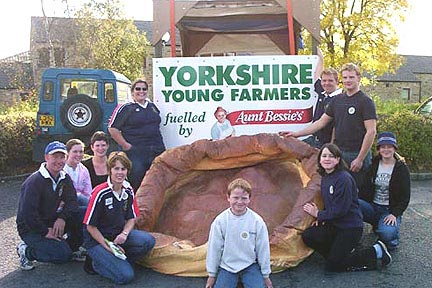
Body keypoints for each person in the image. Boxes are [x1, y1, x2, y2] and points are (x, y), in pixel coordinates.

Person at [280, 63, 377, 187]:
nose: (348, 80)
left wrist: (360, 158)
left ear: (359, 78)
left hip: (356, 154)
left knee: (358, 192)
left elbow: (371, 132)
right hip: (338, 153)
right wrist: (296, 134)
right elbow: (321, 122)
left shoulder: (366, 102)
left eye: (351, 77)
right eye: (345, 77)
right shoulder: (337, 101)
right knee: (338, 189)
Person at [302, 143, 392, 272]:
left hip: (349, 227)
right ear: (320, 159)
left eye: (331, 156)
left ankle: (375, 251)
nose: (327, 159)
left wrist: (318, 214)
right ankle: (340, 256)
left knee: (332, 267)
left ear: (338, 159)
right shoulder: (326, 177)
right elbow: (330, 204)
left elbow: (340, 210)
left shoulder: (343, 178)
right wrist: (322, 218)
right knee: (309, 235)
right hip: (334, 224)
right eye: (324, 156)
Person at [82, 151, 155, 284]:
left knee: (148, 241)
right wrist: (110, 248)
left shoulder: (128, 190)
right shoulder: (100, 192)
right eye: (116, 168)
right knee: (125, 277)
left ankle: (119, 261)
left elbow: (132, 218)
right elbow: (90, 227)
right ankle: (96, 263)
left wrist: (124, 234)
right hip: (97, 240)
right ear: (110, 170)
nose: (120, 172)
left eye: (123, 169)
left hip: (116, 235)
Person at [16, 141, 84, 271]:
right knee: (61, 255)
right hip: (31, 228)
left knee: (83, 213)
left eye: (62, 157)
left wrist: (62, 218)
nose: (59, 161)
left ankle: (72, 249)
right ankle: (26, 251)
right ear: (46, 157)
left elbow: (72, 202)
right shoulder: (34, 181)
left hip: (52, 220)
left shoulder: (64, 178)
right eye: (55, 156)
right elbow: (28, 215)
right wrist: (45, 231)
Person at [205, 178, 272, 288]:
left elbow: (263, 249)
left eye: (244, 198)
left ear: (249, 199)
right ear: (228, 198)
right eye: (235, 197)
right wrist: (211, 275)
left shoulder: (257, 221)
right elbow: (214, 248)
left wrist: (265, 275)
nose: (240, 202)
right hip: (227, 266)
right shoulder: (220, 221)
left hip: (250, 265)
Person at [108, 79, 165, 192]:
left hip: (156, 150)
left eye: (144, 89)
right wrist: (125, 145)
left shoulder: (152, 107)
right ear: (132, 91)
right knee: (138, 181)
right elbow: (112, 128)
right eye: (138, 89)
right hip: (136, 152)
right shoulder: (126, 108)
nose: (141, 91)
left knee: (158, 181)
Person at [359, 132, 411, 251]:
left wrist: (395, 214)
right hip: (373, 206)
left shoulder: (401, 169)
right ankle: (376, 226)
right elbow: (364, 188)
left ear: (394, 148)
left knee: (387, 234)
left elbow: (405, 197)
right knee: (353, 203)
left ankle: (392, 238)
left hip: (389, 211)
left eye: (389, 146)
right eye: (383, 147)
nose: (386, 149)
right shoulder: (374, 164)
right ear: (379, 149)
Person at [303, 48, 342, 148]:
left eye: (330, 81)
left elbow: (336, 126)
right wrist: (321, 59)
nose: (326, 83)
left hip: (327, 143)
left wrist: (331, 146)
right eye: (324, 81)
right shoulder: (322, 93)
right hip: (315, 139)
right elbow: (316, 76)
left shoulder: (340, 99)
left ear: (337, 81)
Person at [64, 138, 92, 206]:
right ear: (68, 152)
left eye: (81, 152)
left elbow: (88, 192)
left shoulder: (84, 170)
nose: (78, 155)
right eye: (75, 152)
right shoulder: (61, 169)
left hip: (80, 204)